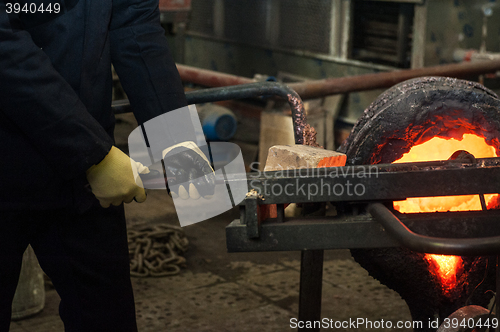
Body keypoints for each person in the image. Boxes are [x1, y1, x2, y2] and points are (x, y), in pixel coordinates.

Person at [0, 1, 213, 331]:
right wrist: (91, 152)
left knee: (106, 317)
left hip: (82, 179)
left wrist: (177, 142)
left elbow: (136, 26)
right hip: (25, 156)